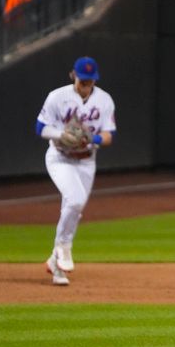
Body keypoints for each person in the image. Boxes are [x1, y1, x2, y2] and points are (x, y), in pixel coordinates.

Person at [36, 56, 116, 285]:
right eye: (83, 81)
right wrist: (61, 135)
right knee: (75, 200)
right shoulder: (57, 97)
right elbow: (40, 127)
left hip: (87, 161)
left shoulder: (104, 100)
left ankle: (55, 265)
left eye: (90, 81)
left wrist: (94, 137)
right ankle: (64, 247)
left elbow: (110, 134)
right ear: (74, 75)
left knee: (72, 207)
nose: (86, 85)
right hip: (60, 157)